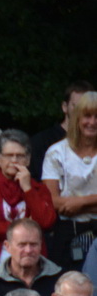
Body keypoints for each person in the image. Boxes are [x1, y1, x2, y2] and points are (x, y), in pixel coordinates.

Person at [0, 133, 56, 269]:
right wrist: (24, 225)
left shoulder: (38, 189)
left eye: (20, 156)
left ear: (28, 160)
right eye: (8, 155)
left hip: (33, 264)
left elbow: (46, 222)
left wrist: (27, 189)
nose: (14, 160)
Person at [42, 91, 97, 268]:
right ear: (77, 118)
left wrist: (77, 203)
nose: (92, 122)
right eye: (87, 116)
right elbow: (51, 200)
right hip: (67, 232)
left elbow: (66, 203)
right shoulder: (57, 152)